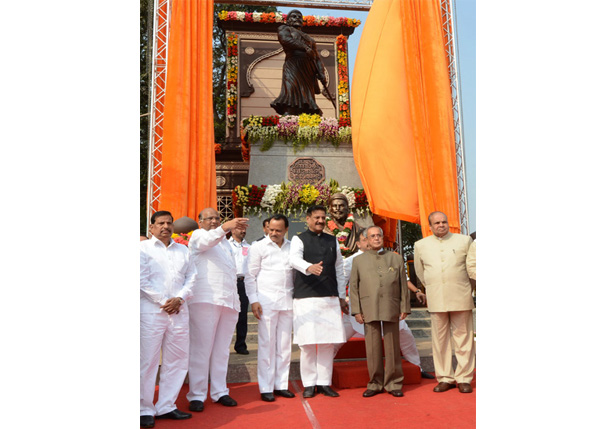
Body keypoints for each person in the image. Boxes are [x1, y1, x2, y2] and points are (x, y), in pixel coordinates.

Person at [337, 230, 434, 380]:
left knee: (406, 335)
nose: (373, 240)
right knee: (338, 338)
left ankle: (417, 367)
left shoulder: (391, 258)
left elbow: (403, 280)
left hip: (389, 307)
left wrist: (416, 291)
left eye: (378, 236)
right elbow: (344, 282)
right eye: (367, 239)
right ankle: (323, 375)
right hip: (363, 309)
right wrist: (343, 300)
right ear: (360, 243)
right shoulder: (353, 261)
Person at [186, 208, 249, 411]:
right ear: (200, 221)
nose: (214, 221)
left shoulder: (225, 243)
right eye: (209, 218)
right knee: (201, 349)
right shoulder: (198, 236)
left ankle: (220, 391)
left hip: (228, 301)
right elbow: (206, 242)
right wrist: (224, 227)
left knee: (222, 351)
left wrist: (236, 300)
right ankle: (196, 394)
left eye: (217, 218)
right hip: (205, 299)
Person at [140, 211, 196, 428]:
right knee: (148, 361)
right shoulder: (142, 249)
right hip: (152, 312)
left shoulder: (183, 250)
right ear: (151, 228)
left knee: (177, 360)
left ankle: (166, 406)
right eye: (160, 223)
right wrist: (165, 301)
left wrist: (179, 298)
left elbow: (192, 277)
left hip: (179, 311)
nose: (165, 226)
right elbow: (141, 280)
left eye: (169, 223)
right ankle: (144, 408)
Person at [289, 205, 347, 398]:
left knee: (326, 343)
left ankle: (324, 383)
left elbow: (339, 268)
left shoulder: (333, 240)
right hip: (306, 297)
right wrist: (309, 267)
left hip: (329, 297)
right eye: (316, 218)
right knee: (307, 343)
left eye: (323, 217)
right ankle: (308, 384)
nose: (320, 221)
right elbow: (293, 259)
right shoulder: (299, 239)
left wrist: (340, 296)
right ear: (308, 219)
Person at [414, 211, 475, 394]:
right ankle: (445, 378)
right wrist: (434, 285)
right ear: (430, 226)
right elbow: (420, 271)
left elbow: (471, 267)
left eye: (444, 222)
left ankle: (464, 378)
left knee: (464, 339)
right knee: (440, 341)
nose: (441, 225)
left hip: (461, 295)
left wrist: (468, 288)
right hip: (436, 297)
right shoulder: (420, 245)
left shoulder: (464, 241)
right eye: (437, 223)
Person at [349, 226, 411, 398]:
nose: (376, 238)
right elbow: (353, 288)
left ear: (383, 238)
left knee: (392, 346)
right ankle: (375, 383)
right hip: (369, 307)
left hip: (391, 306)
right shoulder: (358, 261)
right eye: (372, 236)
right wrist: (356, 311)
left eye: (379, 235)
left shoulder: (395, 259)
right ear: (366, 240)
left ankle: (394, 383)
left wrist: (404, 306)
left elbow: (402, 285)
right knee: (373, 347)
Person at [245, 214, 296, 402]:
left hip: (287, 300)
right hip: (266, 302)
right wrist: (254, 300)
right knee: (267, 344)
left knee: (284, 345)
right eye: (271, 229)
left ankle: (281, 384)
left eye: (278, 230)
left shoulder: (293, 247)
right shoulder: (258, 247)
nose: (274, 233)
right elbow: (250, 276)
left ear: (286, 230)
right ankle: (266, 387)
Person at [270, 9, 329, 116]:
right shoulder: (284, 28)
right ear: (288, 20)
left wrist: (321, 73)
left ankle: (307, 114)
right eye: (294, 16)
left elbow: (317, 58)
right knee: (291, 88)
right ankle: (289, 117)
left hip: (308, 69)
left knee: (307, 94)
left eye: (299, 17)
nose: (297, 18)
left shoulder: (310, 39)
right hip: (293, 65)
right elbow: (285, 40)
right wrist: (305, 47)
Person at [323, 193, 368, 257]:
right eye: (334, 206)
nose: (338, 208)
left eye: (341, 205)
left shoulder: (358, 229)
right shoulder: (323, 228)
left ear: (347, 208)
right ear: (330, 209)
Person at [229, 228, 251, 355]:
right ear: (232, 230)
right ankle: (224, 345)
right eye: (239, 228)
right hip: (229, 282)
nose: (243, 231)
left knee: (242, 316)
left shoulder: (249, 247)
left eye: (244, 229)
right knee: (227, 314)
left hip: (243, 283)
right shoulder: (226, 245)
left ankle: (241, 345)